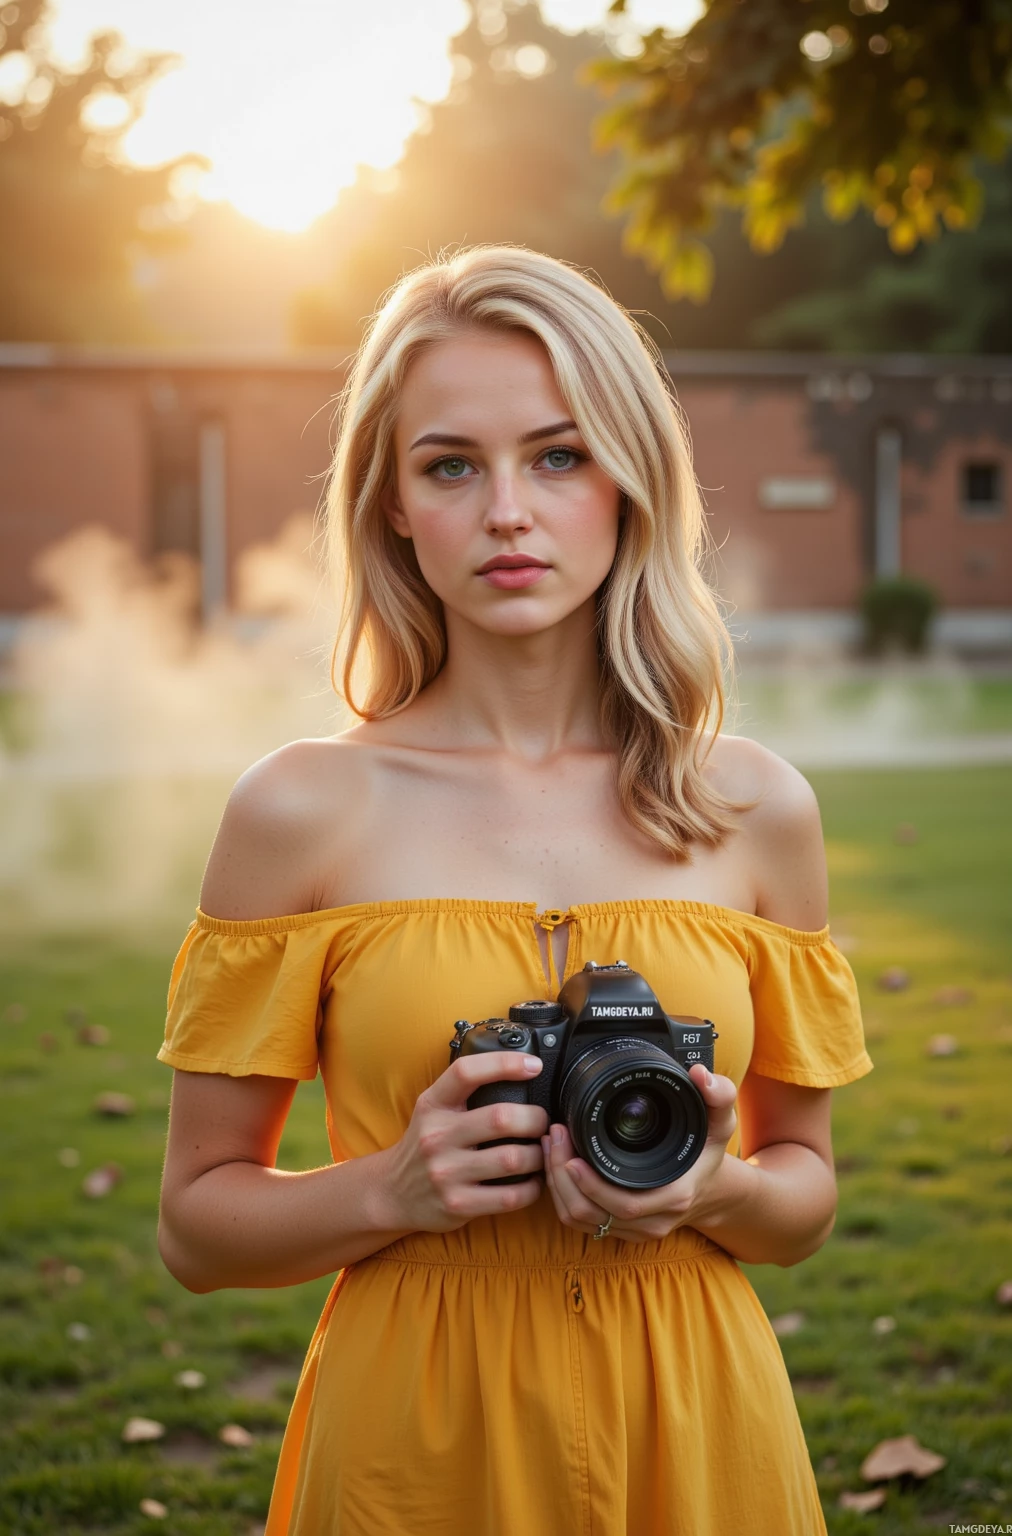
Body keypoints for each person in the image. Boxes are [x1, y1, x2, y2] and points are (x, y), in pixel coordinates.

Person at [157, 245, 872, 1536]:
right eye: (450, 465)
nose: (506, 513)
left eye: (557, 455)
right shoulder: (299, 809)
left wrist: (712, 1189)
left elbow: (805, 1191)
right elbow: (199, 1230)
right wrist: (390, 1190)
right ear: (390, 505)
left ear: (632, 479)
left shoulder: (759, 809)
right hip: (410, 1446)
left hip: (696, 1424)